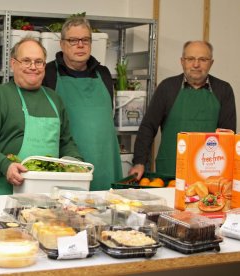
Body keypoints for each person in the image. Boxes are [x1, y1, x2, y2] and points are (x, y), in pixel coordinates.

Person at [0, 37, 82, 195]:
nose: (33, 67)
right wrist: (6, 166)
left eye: (39, 62)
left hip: (49, 193)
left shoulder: (55, 99)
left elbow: (66, 141)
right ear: (13, 63)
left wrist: (75, 162)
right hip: (5, 192)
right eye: (26, 61)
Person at [129, 40, 236, 179]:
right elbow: (148, 127)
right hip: (170, 171)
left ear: (211, 63)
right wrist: (139, 162)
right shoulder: (167, 87)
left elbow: (228, 136)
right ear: (182, 61)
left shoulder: (223, 90)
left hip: (210, 174)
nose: (196, 64)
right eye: (190, 59)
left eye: (203, 59)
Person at [43, 16, 122, 191]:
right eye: (73, 40)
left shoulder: (104, 74)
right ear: (62, 44)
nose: (80, 45)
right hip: (68, 166)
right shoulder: (48, 73)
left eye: (85, 40)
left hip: (106, 164)